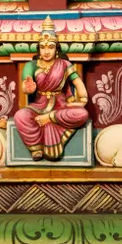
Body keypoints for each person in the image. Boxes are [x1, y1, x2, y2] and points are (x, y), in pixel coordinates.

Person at [13, 15, 90, 161]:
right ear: (38, 49)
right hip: (38, 105)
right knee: (20, 116)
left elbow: (77, 82)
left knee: (82, 114)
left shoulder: (64, 64)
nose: (46, 51)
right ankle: (35, 148)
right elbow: (25, 84)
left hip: (61, 105)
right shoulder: (32, 65)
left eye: (50, 47)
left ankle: (48, 118)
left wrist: (83, 99)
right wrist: (28, 87)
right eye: (42, 47)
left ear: (56, 49)